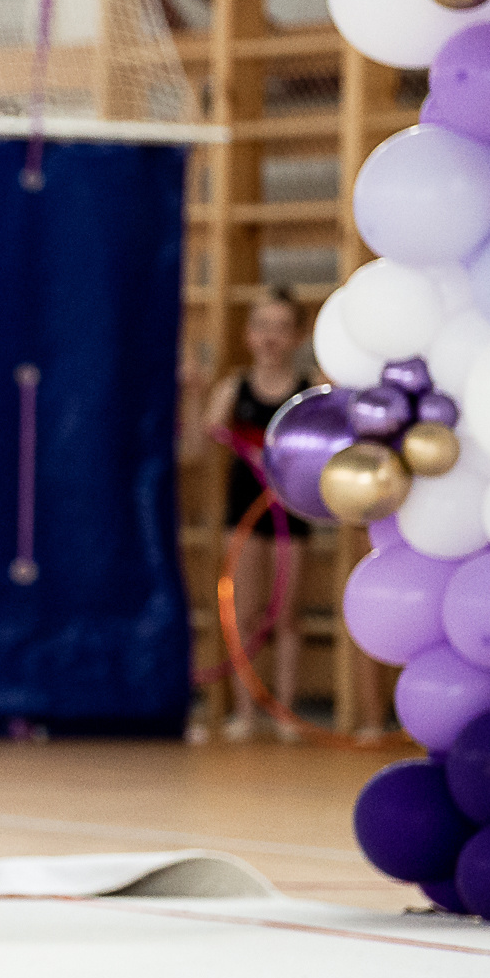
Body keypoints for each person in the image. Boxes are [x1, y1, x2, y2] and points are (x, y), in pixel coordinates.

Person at [193, 291, 315, 742]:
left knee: (286, 615)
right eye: (263, 326)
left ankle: (283, 712)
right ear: (248, 334)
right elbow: (197, 446)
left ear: (298, 336)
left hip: (289, 511)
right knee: (243, 614)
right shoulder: (233, 389)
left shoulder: (306, 390)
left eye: (283, 327)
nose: (271, 337)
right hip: (241, 514)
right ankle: (246, 713)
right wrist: (192, 397)